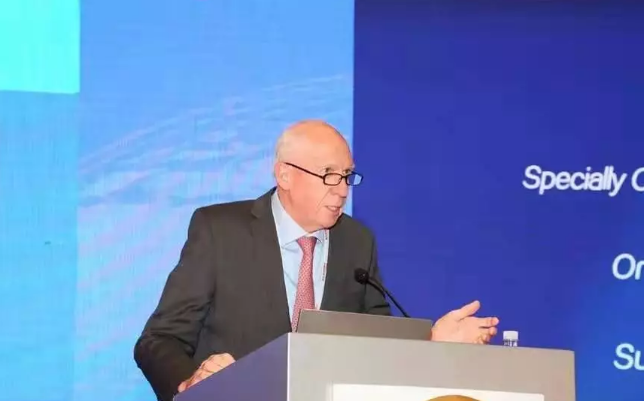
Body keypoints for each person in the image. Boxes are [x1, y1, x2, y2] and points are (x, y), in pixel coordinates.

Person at [133, 120, 499, 401]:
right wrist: (190, 384)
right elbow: (159, 340)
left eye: (347, 176)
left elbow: (377, 343)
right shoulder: (220, 230)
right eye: (329, 175)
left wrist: (433, 341)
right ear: (285, 175)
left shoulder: (357, 241)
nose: (342, 189)